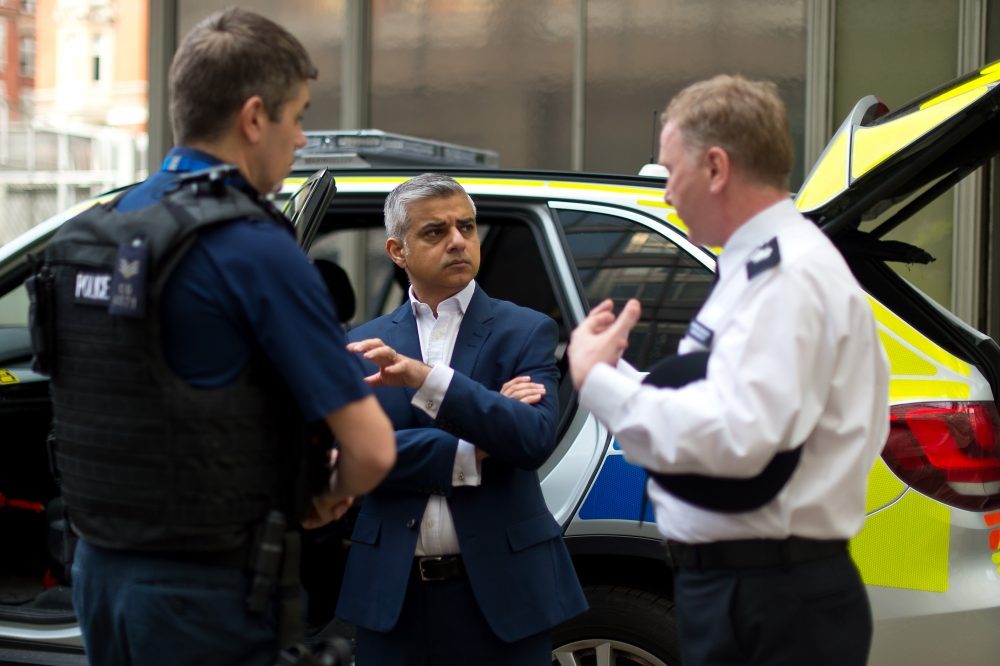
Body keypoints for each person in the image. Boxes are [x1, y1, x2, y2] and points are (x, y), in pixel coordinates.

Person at [30, 8, 395, 666]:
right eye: (299, 116)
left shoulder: (102, 227)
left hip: (97, 573)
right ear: (255, 118)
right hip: (206, 593)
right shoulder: (254, 248)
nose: (302, 139)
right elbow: (371, 449)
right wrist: (326, 497)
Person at [566, 75, 890, 666]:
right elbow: (724, 401)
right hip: (756, 589)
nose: (664, 192)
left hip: (768, 596)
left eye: (669, 171)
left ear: (715, 168)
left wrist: (599, 383)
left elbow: (737, 437)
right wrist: (617, 375)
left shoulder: (785, 275)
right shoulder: (761, 268)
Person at [335, 173, 586, 665]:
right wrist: (477, 446)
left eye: (466, 227)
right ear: (397, 250)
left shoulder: (525, 330)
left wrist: (427, 381)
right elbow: (350, 456)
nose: (458, 241)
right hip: (392, 596)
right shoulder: (363, 344)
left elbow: (532, 439)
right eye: (435, 231)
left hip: (503, 594)